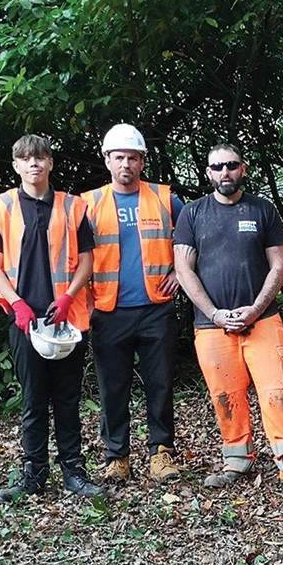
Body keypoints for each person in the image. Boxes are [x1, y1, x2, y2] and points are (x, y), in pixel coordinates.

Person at [172, 143, 283, 494]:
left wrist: (254, 309)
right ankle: (237, 461)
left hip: (262, 320)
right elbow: (183, 269)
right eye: (217, 166)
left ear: (243, 169)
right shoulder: (192, 214)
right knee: (225, 395)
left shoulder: (262, 210)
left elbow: (280, 265)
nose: (225, 172)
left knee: (277, 392)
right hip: (212, 325)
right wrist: (215, 314)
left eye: (231, 165)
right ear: (208, 172)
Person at [0, 134, 103, 501]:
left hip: (65, 318)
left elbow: (87, 260)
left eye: (40, 157)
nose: (34, 163)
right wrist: (16, 302)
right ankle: (32, 475)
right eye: (26, 158)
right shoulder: (1, 207)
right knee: (34, 399)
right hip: (25, 319)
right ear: (16, 165)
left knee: (67, 399)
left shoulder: (73, 207)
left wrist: (69, 297)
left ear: (51, 163)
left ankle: (74, 473)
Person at [82, 123, 183, 484]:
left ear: (143, 161)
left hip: (156, 307)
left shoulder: (165, 198)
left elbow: (192, 241)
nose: (126, 164)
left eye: (133, 157)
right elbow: (71, 258)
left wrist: (181, 274)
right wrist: (85, 302)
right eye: (119, 157)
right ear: (107, 160)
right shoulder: (88, 204)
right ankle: (117, 457)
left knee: (160, 384)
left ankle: (161, 453)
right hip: (109, 311)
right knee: (113, 387)